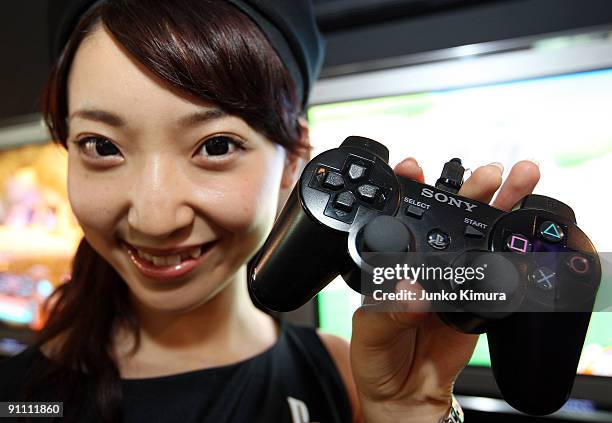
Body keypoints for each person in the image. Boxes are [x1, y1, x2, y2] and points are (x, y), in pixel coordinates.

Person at [0, 0, 540, 422]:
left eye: (215, 146)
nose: (154, 217)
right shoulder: (18, 398)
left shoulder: (346, 380)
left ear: (295, 160)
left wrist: (410, 412)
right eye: (101, 146)